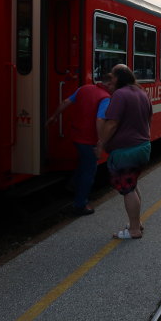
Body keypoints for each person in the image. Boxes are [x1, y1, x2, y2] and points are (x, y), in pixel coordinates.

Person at [96, 64, 152, 239]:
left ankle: (134, 229)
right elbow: (149, 118)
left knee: (128, 189)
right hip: (142, 146)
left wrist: (101, 144)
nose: (109, 79)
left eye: (112, 76)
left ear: (119, 78)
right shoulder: (142, 92)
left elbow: (111, 123)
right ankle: (137, 223)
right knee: (133, 186)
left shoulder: (120, 95)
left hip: (126, 151)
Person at [47, 74, 114, 216]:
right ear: (108, 85)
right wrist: (100, 144)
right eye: (114, 85)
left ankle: (73, 184)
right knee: (88, 172)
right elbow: (100, 120)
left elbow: (66, 101)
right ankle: (80, 204)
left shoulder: (84, 88)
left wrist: (54, 116)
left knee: (83, 163)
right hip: (89, 140)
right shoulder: (105, 98)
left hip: (76, 136)